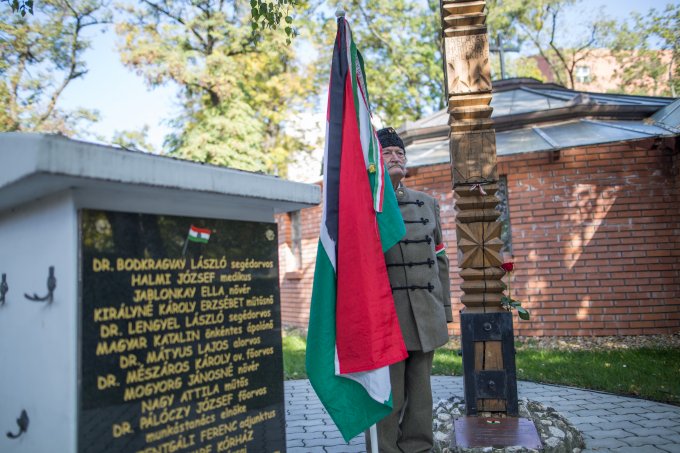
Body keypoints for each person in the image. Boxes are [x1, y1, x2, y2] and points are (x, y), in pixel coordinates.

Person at [367, 127, 453, 453]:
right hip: (388, 317)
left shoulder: (428, 203)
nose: (396, 157)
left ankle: (418, 448)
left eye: (400, 153)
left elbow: (440, 261)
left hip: (425, 312)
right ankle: (385, 449)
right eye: (388, 152)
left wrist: (444, 310)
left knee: (421, 393)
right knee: (390, 393)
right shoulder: (366, 207)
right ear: (375, 161)